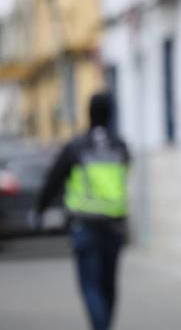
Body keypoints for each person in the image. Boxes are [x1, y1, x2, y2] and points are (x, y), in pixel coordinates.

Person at [35, 92, 130, 330]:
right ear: (111, 114)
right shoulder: (120, 147)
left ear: (88, 113)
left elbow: (54, 180)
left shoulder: (77, 146)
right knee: (108, 286)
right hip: (114, 226)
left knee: (90, 286)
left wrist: (40, 209)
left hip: (85, 227)